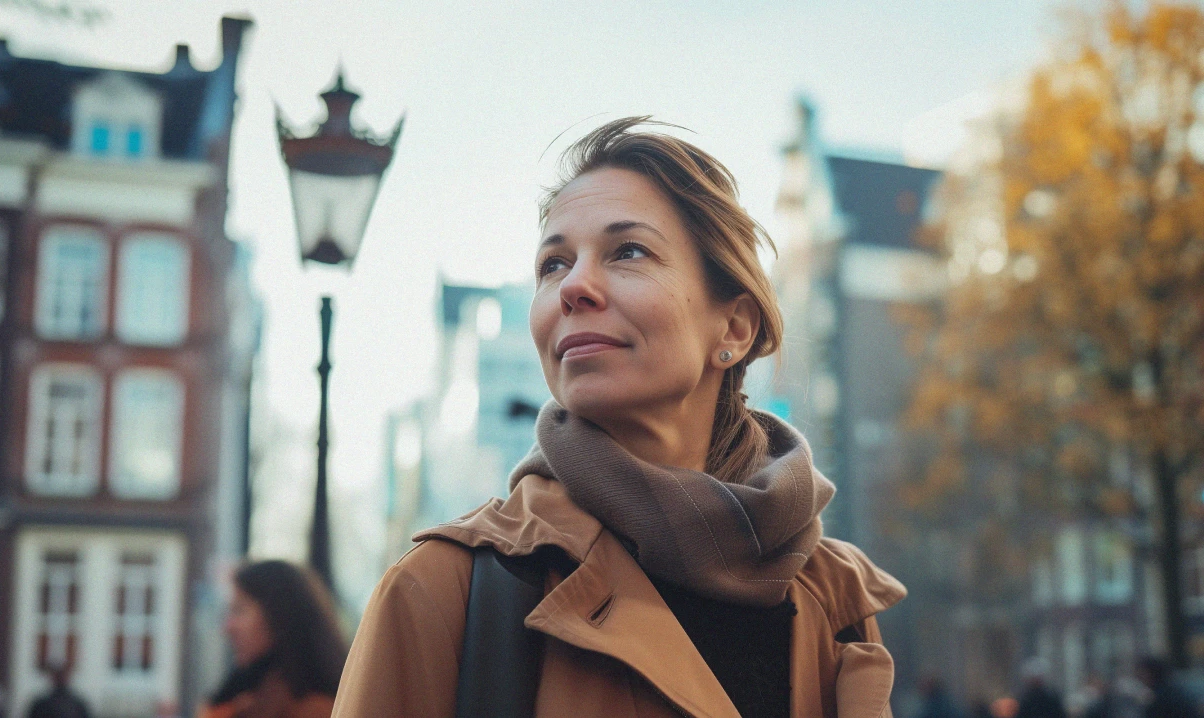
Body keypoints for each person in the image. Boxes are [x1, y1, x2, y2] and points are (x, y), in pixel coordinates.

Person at [332, 117, 907, 717]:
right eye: (553, 264)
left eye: (628, 251)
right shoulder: (443, 592)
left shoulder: (835, 596)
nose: (573, 287)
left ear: (734, 328)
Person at [201, 561, 348, 718]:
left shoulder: (313, 708)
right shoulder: (250, 691)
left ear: (279, 616)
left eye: (239, 610)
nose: (228, 627)